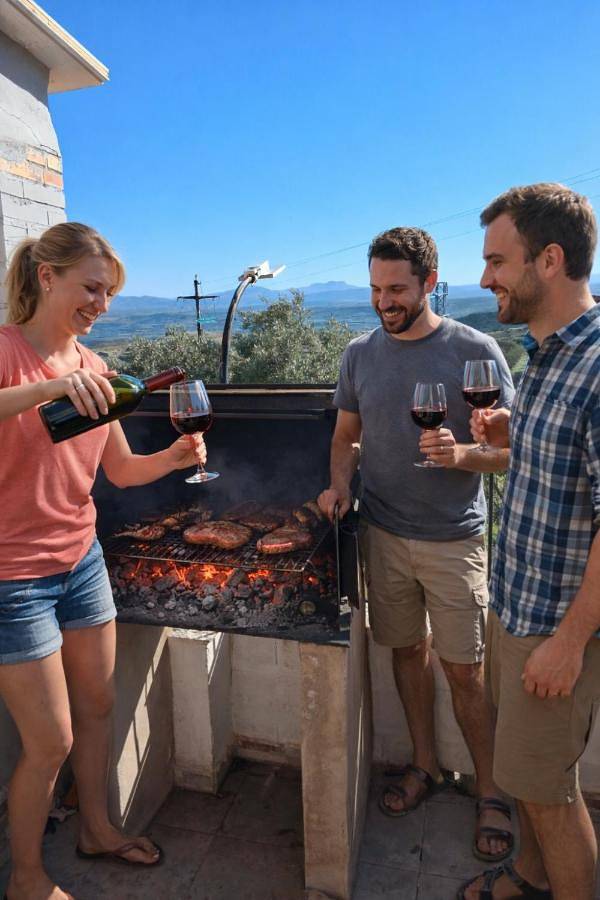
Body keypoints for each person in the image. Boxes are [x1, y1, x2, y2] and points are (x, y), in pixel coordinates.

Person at [0, 222, 206, 900]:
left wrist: (173, 460)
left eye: (110, 294)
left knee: (96, 705)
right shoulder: (8, 354)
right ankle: (27, 879)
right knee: (50, 741)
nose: (102, 303)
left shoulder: (94, 369)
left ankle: (97, 828)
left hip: (81, 563)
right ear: (46, 276)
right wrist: (46, 391)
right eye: (93, 288)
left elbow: (118, 470)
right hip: (13, 578)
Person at [318, 227, 515, 862]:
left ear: (430, 283)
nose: (384, 301)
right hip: (382, 532)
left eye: (397, 288)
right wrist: (339, 484)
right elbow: (347, 435)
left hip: (455, 539)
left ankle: (491, 792)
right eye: (376, 289)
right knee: (407, 655)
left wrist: (462, 454)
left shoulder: (474, 349)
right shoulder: (358, 353)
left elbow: (510, 453)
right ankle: (425, 766)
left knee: (465, 670)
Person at [461, 184, 600, 900]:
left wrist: (571, 641)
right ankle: (527, 876)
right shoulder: (545, 353)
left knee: (549, 794)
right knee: (527, 778)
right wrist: (509, 436)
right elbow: (561, 461)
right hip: (515, 604)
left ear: (549, 260)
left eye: (496, 261)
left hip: (555, 626)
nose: (485, 279)